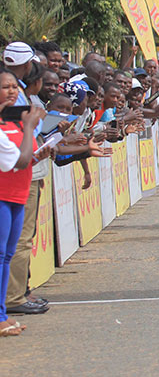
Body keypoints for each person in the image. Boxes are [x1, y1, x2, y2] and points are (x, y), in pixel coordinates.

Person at [0, 70, 46, 336]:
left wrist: (42, 153)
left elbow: (26, 158)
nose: (12, 91)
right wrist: (30, 127)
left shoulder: (16, 122)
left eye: (14, 87)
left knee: (6, 257)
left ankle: (2, 314)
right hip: (3, 197)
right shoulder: (21, 123)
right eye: (5, 87)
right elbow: (18, 161)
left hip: (16, 195)